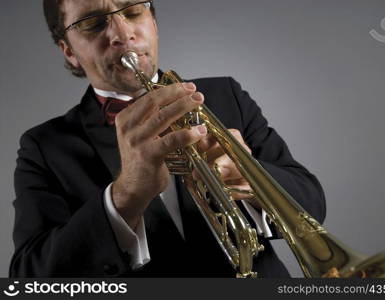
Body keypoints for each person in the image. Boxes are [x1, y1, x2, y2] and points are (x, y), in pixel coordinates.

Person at [10, 0, 326, 278]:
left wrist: (250, 180)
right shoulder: (45, 146)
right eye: (93, 23)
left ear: (154, 23)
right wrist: (125, 196)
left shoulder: (225, 95)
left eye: (133, 11)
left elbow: (312, 203)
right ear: (69, 50)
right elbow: (32, 274)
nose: (122, 34)